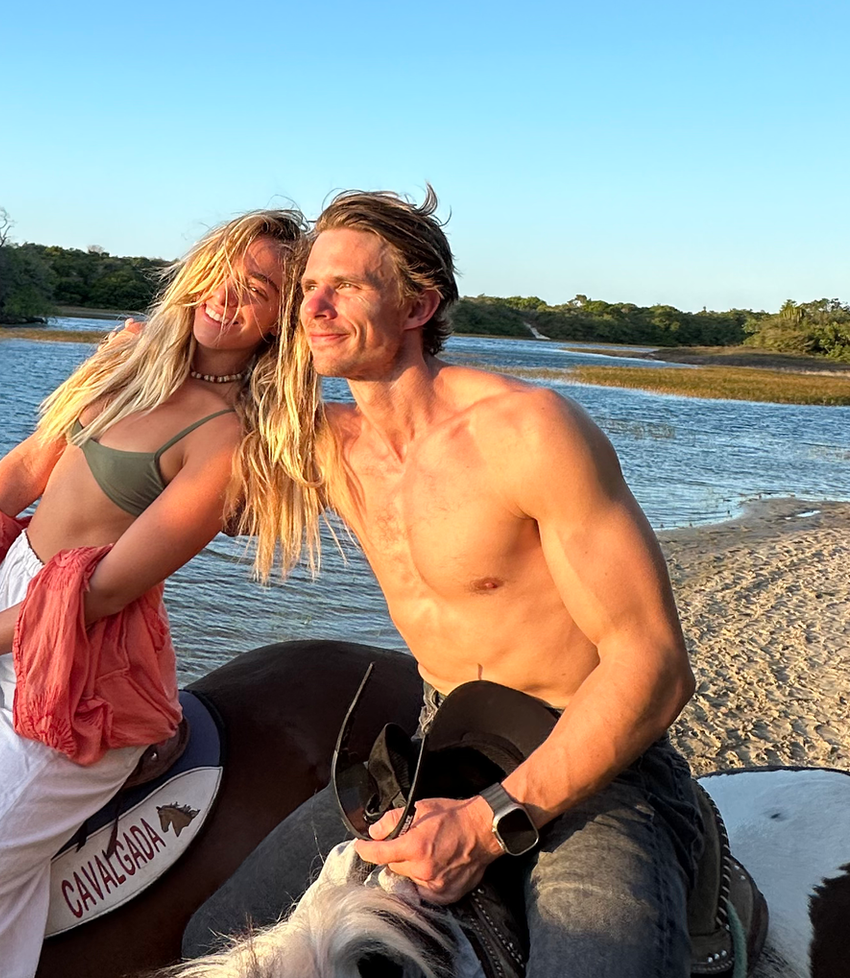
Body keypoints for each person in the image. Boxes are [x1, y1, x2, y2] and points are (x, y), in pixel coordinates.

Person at [187, 189, 702, 976]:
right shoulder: (327, 444)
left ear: (419, 303)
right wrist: (168, 355)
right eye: (305, 291)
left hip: (586, 756)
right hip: (445, 739)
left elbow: (653, 663)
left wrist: (487, 824)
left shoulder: (528, 431)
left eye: (347, 287)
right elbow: (205, 501)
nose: (314, 308)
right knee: (215, 938)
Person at [0, 208, 303, 978]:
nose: (226, 298)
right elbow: (21, 474)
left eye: (257, 291)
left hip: (76, 677)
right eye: (221, 273)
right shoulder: (133, 363)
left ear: (281, 323)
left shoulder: (227, 439)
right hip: (11, 605)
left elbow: (105, 591)